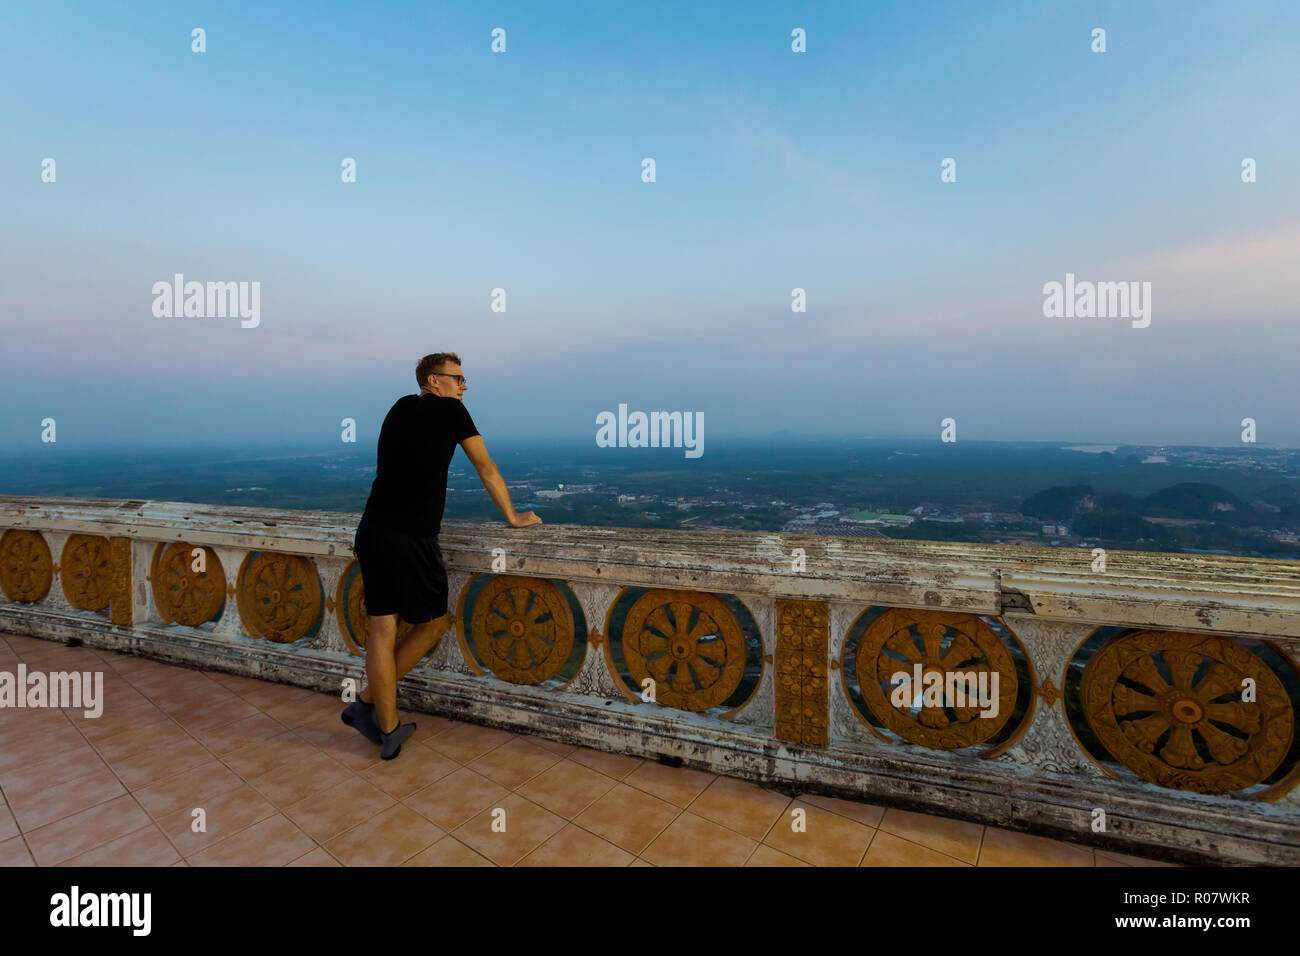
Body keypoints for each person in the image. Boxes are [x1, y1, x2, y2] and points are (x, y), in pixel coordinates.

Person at [343, 352, 542, 759]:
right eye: (458, 378)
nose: (464, 386)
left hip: (372, 529)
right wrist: (513, 517)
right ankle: (370, 708)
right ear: (434, 381)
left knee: (382, 630)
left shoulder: (399, 407)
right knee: (433, 625)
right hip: (411, 537)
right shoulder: (452, 411)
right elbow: (485, 467)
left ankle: (381, 720)